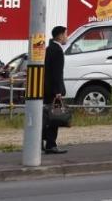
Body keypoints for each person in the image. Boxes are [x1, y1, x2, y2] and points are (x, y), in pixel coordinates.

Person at [43, 26, 68, 154]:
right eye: (65, 34)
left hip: (46, 89)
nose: (66, 37)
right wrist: (58, 91)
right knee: (55, 117)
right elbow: (57, 73)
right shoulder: (57, 50)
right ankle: (51, 144)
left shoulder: (48, 49)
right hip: (54, 90)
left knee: (47, 117)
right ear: (59, 36)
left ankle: (43, 142)